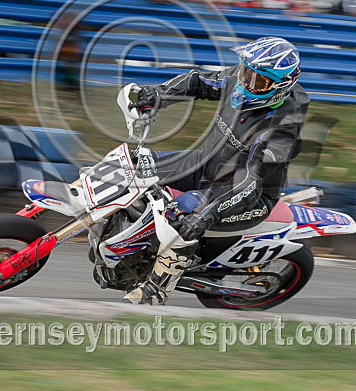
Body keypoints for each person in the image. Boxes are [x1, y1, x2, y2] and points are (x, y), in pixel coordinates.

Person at [123, 37, 309, 305]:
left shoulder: (283, 129)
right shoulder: (241, 80)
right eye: (246, 71)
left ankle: (154, 291)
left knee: (184, 212)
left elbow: (251, 183)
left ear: (279, 87)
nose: (245, 82)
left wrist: (206, 212)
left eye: (257, 81)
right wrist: (157, 93)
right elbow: (197, 81)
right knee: (138, 164)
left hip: (244, 194)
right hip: (209, 163)